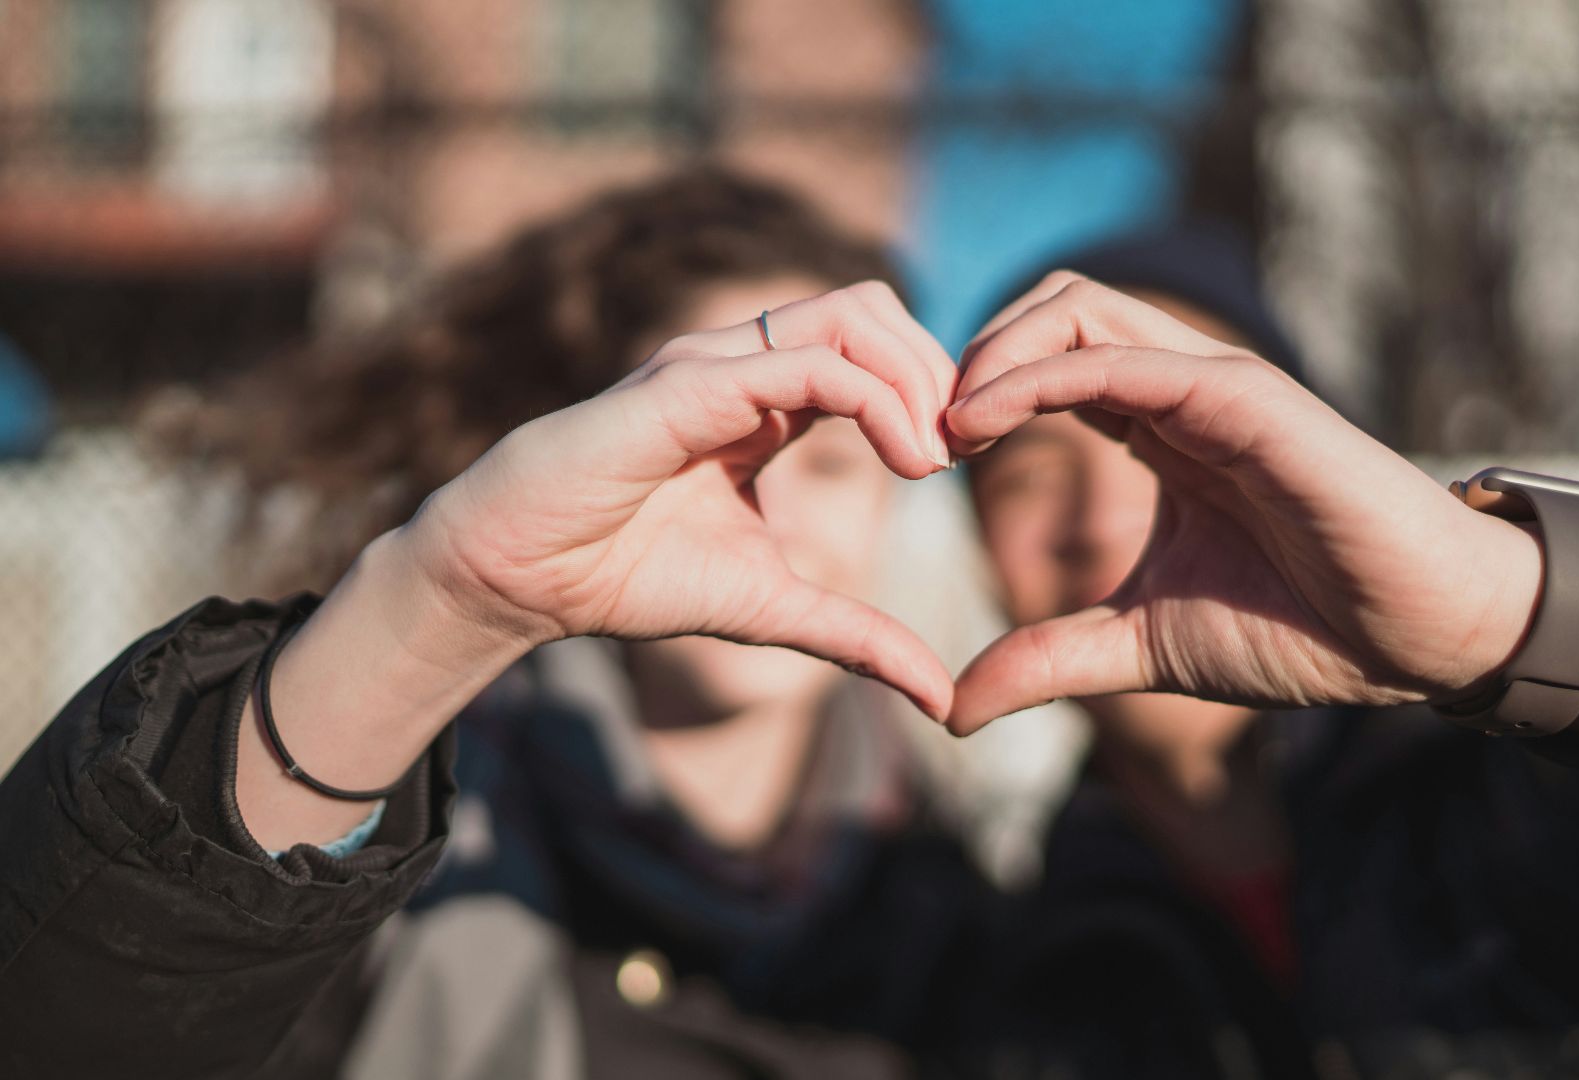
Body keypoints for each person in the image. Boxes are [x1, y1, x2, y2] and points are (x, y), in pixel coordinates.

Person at [4, 242, 1579, 1080]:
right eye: (1038, 462)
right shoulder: (1043, 957)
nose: (1110, 519)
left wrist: (1539, 621)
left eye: (1182, 454)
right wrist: (433, 607)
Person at [6, 169, 1007, 1079]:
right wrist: (441, 604)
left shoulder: (959, 911)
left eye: (833, 465)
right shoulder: (380, 834)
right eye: (727, 454)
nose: (773, 514)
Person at [957, 239, 1579, 1078]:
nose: (1099, 524)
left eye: (1159, 444)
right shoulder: (1022, 974)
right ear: (983, 556)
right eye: (1027, 476)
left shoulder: (1573, 780)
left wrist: (1525, 613)